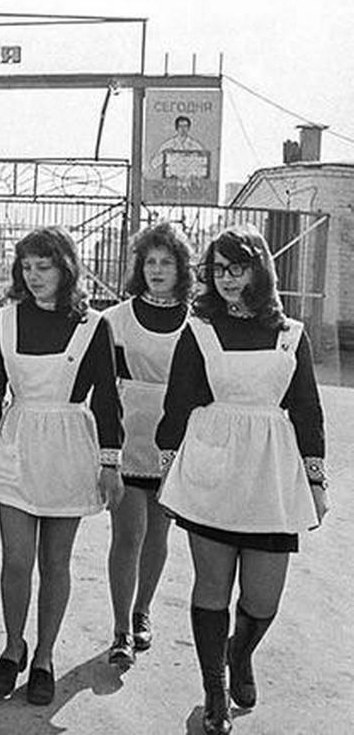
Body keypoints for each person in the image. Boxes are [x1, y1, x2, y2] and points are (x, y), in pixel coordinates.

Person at [156, 228, 328, 735]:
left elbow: (308, 411)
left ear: (260, 270)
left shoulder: (291, 333)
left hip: (272, 474)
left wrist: (316, 481)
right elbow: (178, 401)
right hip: (212, 468)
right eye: (218, 269)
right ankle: (215, 693)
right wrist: (170, 471)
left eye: (237, 268)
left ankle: (241, 652)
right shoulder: (198, 328)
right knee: (212, 587)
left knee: (262, 600)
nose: (227, 279)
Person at [0, 226, 123, 705]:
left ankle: (44, 656)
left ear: (66, 268)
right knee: (16, 560)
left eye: (45, 266)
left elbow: (108, 400)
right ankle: (13, 647)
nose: (34, 277)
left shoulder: (93, 325)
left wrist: (110, 463)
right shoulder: (6, 319)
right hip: (17, 443)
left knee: (55, 562)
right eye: (27, 267)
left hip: (69, 448)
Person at [102, 222, 191, 666]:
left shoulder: (199, 323)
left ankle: (142, 613)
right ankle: (120, 629)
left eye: (166, 262)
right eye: (149, 261)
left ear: (181, 268)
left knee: (159, 531)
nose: (157, 270)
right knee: (128, 533)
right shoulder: (116, 319)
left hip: (176, 439)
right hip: (128, 434)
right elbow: (102, 387)